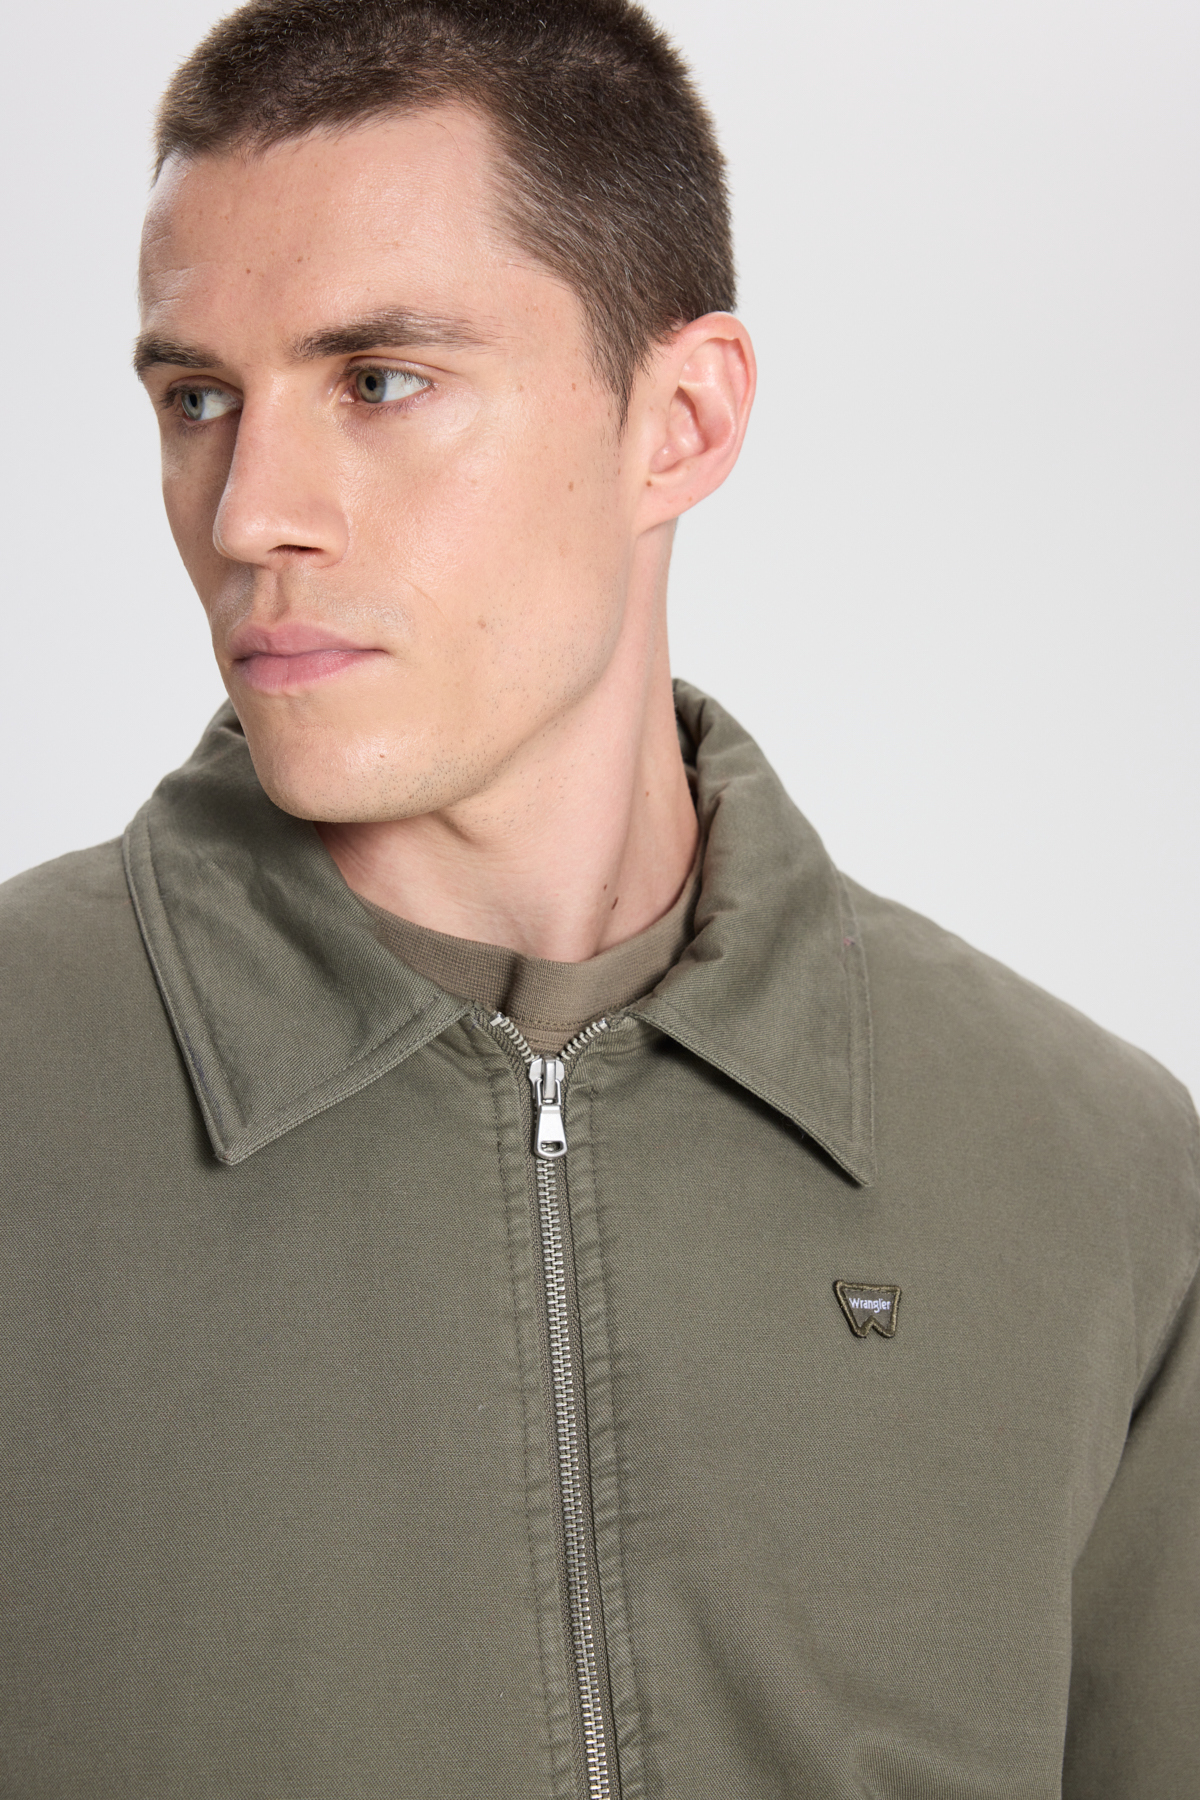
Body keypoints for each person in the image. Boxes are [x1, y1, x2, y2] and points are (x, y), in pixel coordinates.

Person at [1, 0, 1195, 1794]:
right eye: (198, 400)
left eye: (378, 381)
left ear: (681, 421)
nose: (249, 515)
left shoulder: (1093, 1178)